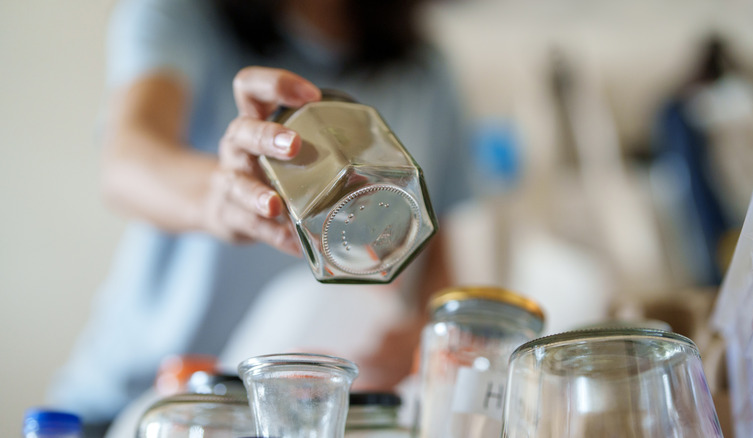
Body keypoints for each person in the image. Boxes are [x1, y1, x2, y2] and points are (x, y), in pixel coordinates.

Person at [46, 0, 471, 434]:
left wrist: (427, 343)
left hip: (294, 415)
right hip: (139, 402)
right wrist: (219, 195)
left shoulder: (425, 73)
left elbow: (437, 259)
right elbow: (126, 161)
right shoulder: (184, 14)